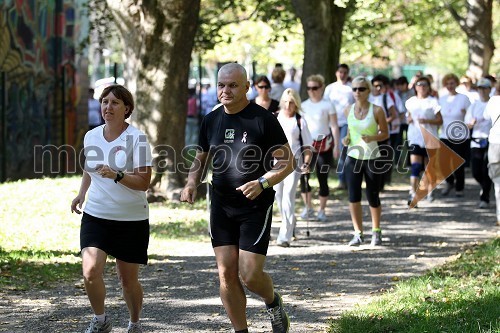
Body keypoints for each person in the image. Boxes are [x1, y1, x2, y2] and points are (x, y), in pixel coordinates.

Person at [180, 63, 294, 333]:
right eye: (221, 85)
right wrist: (191, 183)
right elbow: (201, 157)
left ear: (247, 86)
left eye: (233, 85)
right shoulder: (211, 119)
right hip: (220, 204)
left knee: (250, 275)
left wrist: (263, 183)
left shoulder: (262, 119)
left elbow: (288, 163)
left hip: (255, 206)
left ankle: (272, 301)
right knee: (226, 274)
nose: (226, 90)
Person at [71, 85, 152, 333]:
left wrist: (117, 174)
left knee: (127, 281)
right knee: (90, 271)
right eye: (105, 102)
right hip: (97, 214)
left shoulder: (137, 138)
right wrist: (82, 193)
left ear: (126, 108)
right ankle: (100, 320)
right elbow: (89, 168)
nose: (108, 107)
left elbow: (144, 182)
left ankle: (135, 322)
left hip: (131, 218)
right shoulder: (91, 136)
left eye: (115, 103)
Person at [342, 76, 389, 246]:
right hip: (353, 157)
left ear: (369, 91)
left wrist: (372, 137)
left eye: (361, 89)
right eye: (354, 89)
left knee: (372, 195)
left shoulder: (377, 110)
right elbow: (349, 132)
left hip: (372, 157)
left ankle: (376, 231)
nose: (357, 92)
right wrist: (345, 140)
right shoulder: (347, 110)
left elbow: (385, 133)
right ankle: (358, 233)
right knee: (353, 196)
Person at [274, 88, 313, 247]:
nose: (288, 105)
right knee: (277, 195)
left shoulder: (300, 121)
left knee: (288, 197)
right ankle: (290, 221)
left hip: (294, 162)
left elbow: (307, 145)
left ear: (296, 104)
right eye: (286, 102)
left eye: (291, 102)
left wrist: (306, 163)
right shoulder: (275, 118)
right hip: (275, 163)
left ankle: (285, 236)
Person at [300, 74, 340, 222]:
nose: (312, 91)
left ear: (321, 87)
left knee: (323, 178)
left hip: (325, 146)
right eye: (309, 88)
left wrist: (337, 145)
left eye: (314, 88)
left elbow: (334, 126)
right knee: (304, 177)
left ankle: (322, 210)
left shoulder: (328, 104)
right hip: (307, 147)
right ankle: (308, 206)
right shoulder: (303, 105)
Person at [405, 76, 443, 204]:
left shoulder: (433, 101)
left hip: (429, 137)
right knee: (415, 166)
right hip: (414, 136)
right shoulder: (411, 101)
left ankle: (429, 191)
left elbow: (440, 120)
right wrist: (409, 120)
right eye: (419, 85)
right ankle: (412, 192)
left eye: (424, 85)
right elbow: (408, 117)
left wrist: (427, 121)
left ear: (428, 87)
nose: (422, 87)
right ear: (415, 87)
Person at [439, 73, 471, 197]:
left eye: (452, 83)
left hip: (460, 135)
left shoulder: (464, 98)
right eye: (447, 84)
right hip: (444, 134)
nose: (449, 86)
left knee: (457, 163)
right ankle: (449, 182)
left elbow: (470, 115)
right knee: (444, 163)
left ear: (456, 84)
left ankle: (459, 187)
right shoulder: (442, 99)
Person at [324, 64, 355, 190]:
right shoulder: (330, 88)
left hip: (346, 123)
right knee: (331, 150)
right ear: (336, 73)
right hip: (332, 123)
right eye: (340, 72)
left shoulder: (351, 88)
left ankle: (344, 179)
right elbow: (325, 105)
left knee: (343, 150)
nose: (342, 75)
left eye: (345, 72)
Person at [465, 78, 493, 208]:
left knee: (486, 168)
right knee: (476, 171)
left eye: (484, 88)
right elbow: (467, 125)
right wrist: (471, 124)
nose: (482, 91)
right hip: (476, 141)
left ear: (489, 89)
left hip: (490, 140)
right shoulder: (474, 105)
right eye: (480, 88)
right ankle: (486, 187)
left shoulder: (493, 104)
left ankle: (485, 197)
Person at [370, 74, 400, 189]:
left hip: (384, 132)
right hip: (371, 133)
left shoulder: (385, 98)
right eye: (375, 85)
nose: (378, 88)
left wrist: (382, 123)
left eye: (380, 85)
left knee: (382, 157)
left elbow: (393, 114)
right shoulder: (368, 99)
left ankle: (382, 182)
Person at [484, 80, 500, 226]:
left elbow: (485, 117)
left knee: (497, 182)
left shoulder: (493, 101)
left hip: (495, 143)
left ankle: (499, 216)